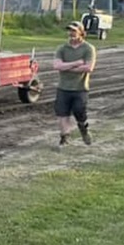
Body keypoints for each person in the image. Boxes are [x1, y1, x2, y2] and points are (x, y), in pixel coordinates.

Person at [51, 21, 97, 149]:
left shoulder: (88, 48)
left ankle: (83, 129)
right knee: (62, 114)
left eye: (74, 31)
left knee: (79, 112)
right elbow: (56, 65)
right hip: (63, 87)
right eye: (69, 31)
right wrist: (76, 63)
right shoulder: (62, 48)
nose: (71, 34)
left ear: (81, 33)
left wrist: (65, 67)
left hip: (80, 88)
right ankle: (64, 137)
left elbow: (88, 67)